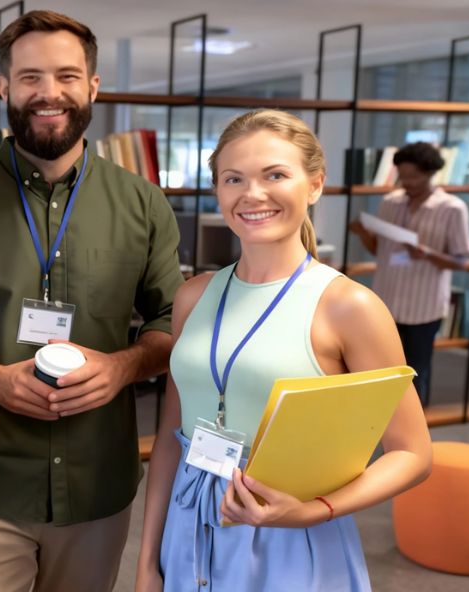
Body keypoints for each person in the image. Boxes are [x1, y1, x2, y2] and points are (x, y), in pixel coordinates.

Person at [0, 10, 184, 592]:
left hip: (98, 479)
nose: (48, 94)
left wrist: (122, 366)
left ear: (93, 86)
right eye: (29, 77)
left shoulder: (144, 203)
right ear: (4, 87)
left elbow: (170, 322)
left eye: (66, 76)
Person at [136, 110, 432, 591]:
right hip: (188, 525)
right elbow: (172, 433)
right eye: (234, 179)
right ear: (218, 190)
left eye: (275, 174)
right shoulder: (195, 294)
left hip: (288, 534)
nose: (252, 194)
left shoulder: (347, 306)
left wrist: (312, 511)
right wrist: (148, 560)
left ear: (314, 185)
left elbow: (413, 453)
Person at [349, 141, 469, 405]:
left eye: (413, 177)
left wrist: (427, 253)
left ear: (430, 173)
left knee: (416, 372)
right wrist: (363, 234)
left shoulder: (452, 208)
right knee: (381, 369)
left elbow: (462, 262)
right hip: (387, 301)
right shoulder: (390, 202)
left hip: (424, 306)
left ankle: (415, 436)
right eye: (403, 177)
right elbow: (378, 250)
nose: (407, 183)